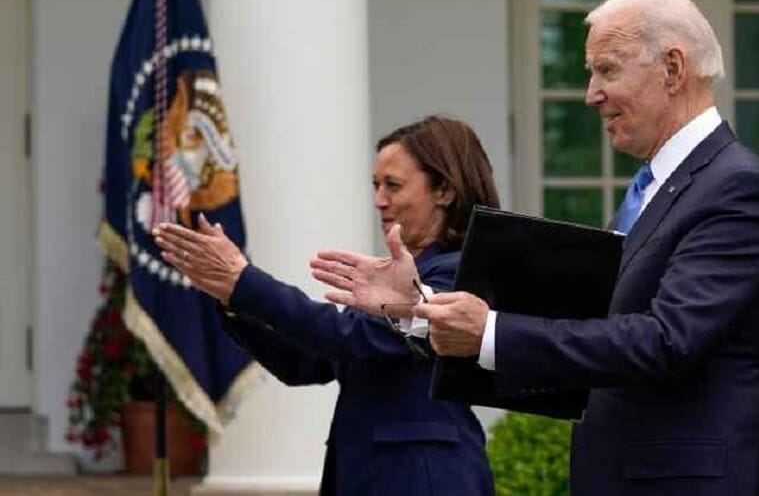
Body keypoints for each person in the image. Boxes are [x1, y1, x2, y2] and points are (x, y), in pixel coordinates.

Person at [314, 0, 759, 495]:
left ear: (673, 69)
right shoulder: (658, 188)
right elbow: (592, 332)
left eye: (606, 70)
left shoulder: (736, 187)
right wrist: (421, 307)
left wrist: (491, 332)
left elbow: (664, 341)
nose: (591, 94)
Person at [153, 116, 499, 496]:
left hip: (426, 479)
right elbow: (307, 363)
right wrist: (231, 299)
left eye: (393, 185)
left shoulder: (458, 272)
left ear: (444, 191)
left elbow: (349, 337)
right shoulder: (396, 274)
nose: (379, 200)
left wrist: (246, 283)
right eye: (376, 185)